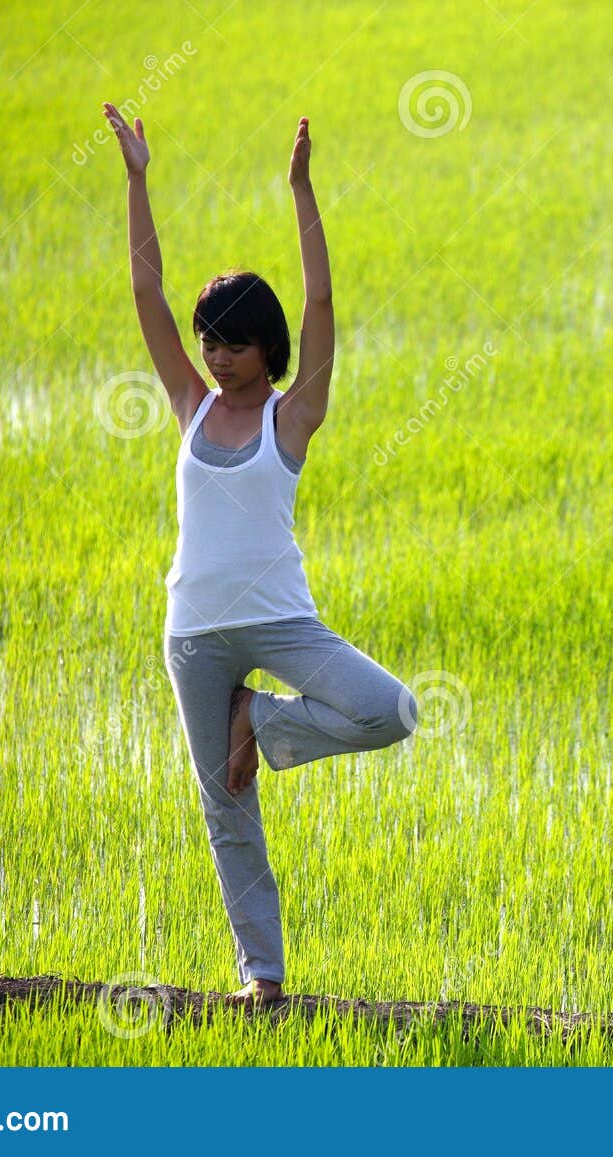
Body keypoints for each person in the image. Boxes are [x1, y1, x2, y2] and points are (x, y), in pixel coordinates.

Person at [101, 102, 419, 1006]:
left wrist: (302, 191)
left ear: (265, 349)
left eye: (232, 341)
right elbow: (143, 294)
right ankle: (262, 978)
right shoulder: (192, 406)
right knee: (224, 807)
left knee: (389, 708)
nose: (214, 353)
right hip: (195, 631)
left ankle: (263, 727)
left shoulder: (294, 416)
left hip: (282, 621)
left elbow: (320, 303)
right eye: (208, 339)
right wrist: (137, 180)